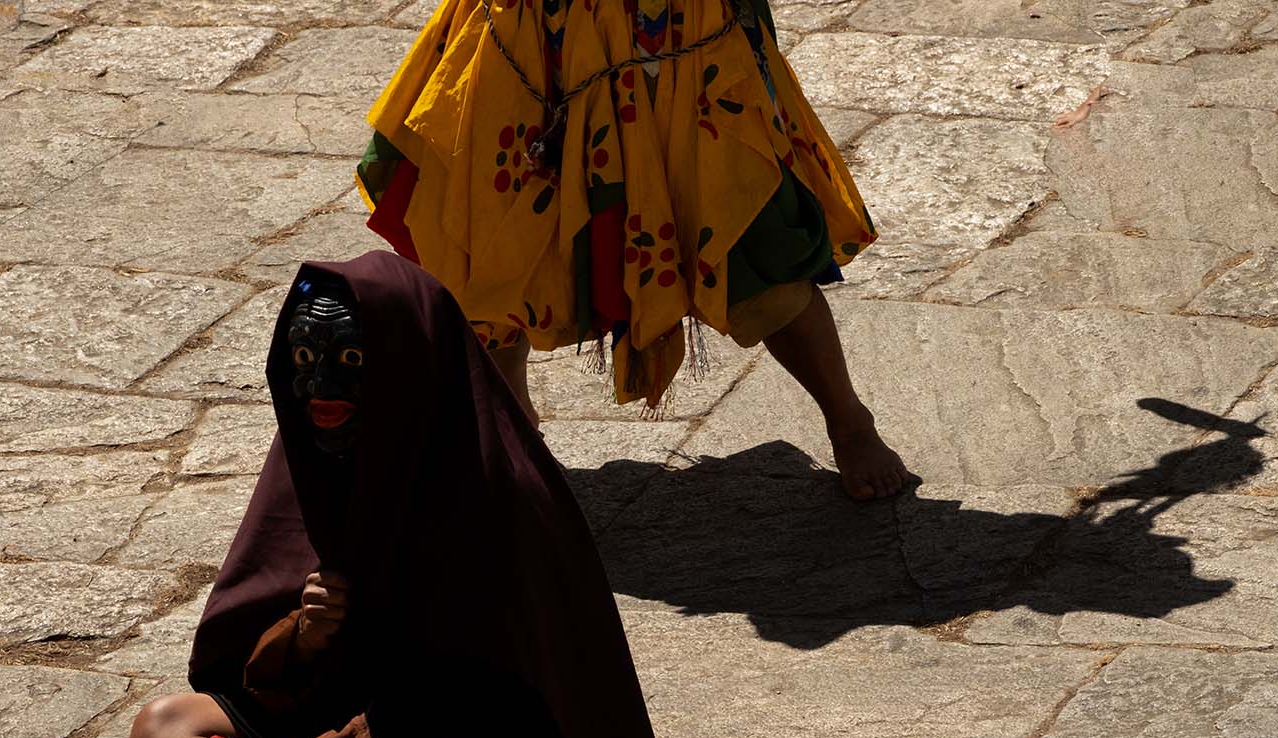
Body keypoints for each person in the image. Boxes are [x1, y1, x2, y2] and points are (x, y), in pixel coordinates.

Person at [127, 253, 674, 738]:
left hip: (457, 736)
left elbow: (509, 683)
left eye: (349, 358)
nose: (318, 386)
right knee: (161, 727)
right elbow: (252, 645)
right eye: (302, 357)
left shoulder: (497, 487)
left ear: (404, 363)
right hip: (324, 708)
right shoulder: (311, 453)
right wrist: (304, 632)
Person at [356, 0, 910, 500]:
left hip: (678, 38)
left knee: (748, 242)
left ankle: (848, 419)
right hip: (531, 37)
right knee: (494, 247)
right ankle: (514, 433)